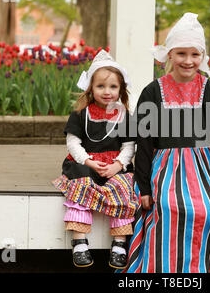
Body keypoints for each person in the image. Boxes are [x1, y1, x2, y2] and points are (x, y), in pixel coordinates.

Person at [121, 12, 210, 273]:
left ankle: (196, 268)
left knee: (204, 211)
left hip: (202, 169)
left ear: (203, 57)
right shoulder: (153, 90)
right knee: (166, 208)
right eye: (181, 53)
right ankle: (162, 267)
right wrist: (144, 188)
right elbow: (145, 142)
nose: (188, 60)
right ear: (169, 55)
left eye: (195, 54)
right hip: (165, 170)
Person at [52, 50, 137, 269]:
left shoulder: (124, 115)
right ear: (91, 87)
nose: (107, 92)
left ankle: (119, 242)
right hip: (85, 163)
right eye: (100, 86)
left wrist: (118, 165)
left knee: (123, 185)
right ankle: (79, 241)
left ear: (121, 89)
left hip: (113, 164)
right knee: (81, 184)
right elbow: (73, 143)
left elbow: (129, 146)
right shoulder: (81, 114)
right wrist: (88, 161)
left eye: (113, 87)